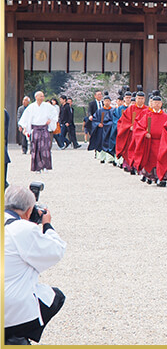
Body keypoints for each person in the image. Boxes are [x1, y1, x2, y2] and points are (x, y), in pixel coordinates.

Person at [4, 184, 67, 345]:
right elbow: (55, 250)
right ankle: (16, 336)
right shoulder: (23, 229)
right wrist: (47, 225)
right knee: (56, 296)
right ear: (29, 210)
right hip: (10, 308)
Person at [130, 91, 167, 185]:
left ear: (161, 104)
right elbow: (139, 127)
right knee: (151, 160)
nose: (157, 104)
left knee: (161, 159)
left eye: (158, 103)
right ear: (152, 103)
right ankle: (151, 177)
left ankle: (161, 178)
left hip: (162, 142)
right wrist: (144, 133)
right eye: (155, 103)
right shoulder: (147, 115)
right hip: (151, 142)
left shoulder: (166, 116)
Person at [18, 92, 57, 173]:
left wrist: (51, 120)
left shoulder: (47, 106)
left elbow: (54, 112)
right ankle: (37, 167)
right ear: (36, 97)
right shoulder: (31, 107)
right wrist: (25, 127)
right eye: (41, 96)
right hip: (35, 129)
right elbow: (25, 118)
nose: (42, 97)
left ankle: (45, 166)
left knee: (45, 147)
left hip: (44, 128)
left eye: (43, 96)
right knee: (36, 148)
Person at [115, 86, 147, 175]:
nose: (140, 100)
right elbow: (122, 121)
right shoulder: (130, 109)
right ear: (136, 99)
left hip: (141, 134)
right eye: (138, 98)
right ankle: (130, 165)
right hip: (131, 133)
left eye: (142, 98)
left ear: (144, 99)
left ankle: (139, 167)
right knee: (130, 149)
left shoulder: (147, 110)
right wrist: (129, 126)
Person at [87, 94, 114, 163]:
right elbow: (95, 119)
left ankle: (110, 158)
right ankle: (102, 158)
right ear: (103, 102)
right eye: (105, 101)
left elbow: (114, 120)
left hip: (110, 130)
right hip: (101, 130)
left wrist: (108, 124)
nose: (107, 102)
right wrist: (98, 124)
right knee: (101, 143)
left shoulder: (113, 110)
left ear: (110, 102)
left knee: (110, 143)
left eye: (108, 101)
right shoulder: (99, 111)